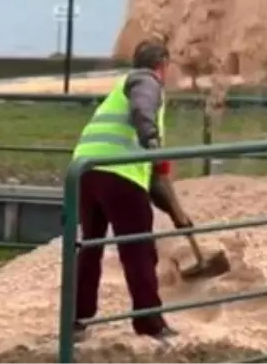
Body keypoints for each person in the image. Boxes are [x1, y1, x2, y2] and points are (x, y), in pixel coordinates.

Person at [69, 39, 194, 342]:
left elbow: (156, 184)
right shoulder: (146, 81)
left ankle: (76, 319)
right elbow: (143, 107)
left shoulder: (119, 89)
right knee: (138, 250)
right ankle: (149, 322)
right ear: (162, 64)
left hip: (86, 171)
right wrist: (151, 139)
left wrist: (178, 215)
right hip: (119, 174)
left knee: (90, 247)